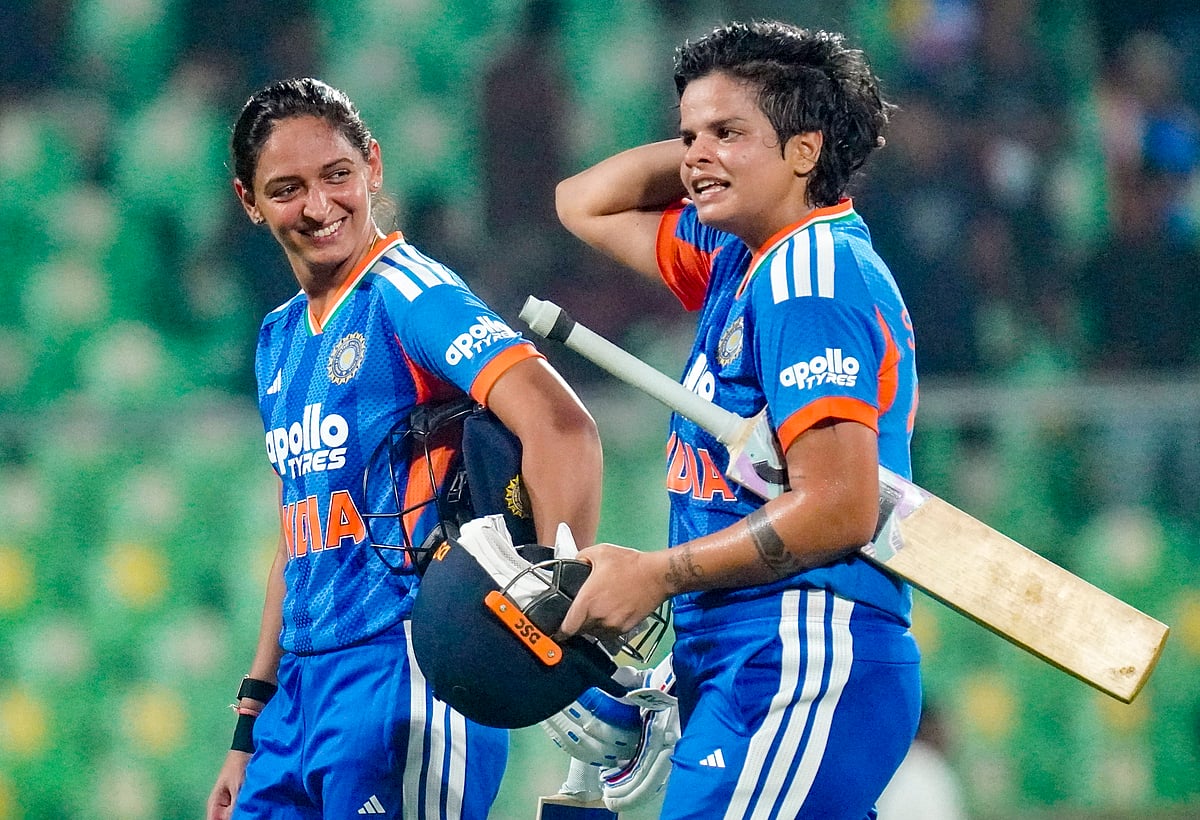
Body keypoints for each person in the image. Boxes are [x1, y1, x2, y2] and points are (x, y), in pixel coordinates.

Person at [205, 78, 603, 820]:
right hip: (299, 696)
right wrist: (249, 722)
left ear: (373, 167)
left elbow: (563, 427)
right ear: (248, 201)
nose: (320, 207)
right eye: (286, 189)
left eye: (337, 176)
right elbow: (299, 538)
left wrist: (548, 612)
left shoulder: (411, 294)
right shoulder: (278, 338)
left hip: (409, 673)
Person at [554, 21, 922, 819]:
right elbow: (580, 202)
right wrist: (717, 154)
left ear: (803, 150)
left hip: (800, 650)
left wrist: (657, 573)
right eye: (687, 133)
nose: (693, 154)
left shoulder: (813, 277)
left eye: (728, 132)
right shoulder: (742, 257)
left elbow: (840, 506)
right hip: (743, 653)